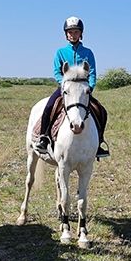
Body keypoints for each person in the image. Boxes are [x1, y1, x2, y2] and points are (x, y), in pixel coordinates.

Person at [35, 16, 109, 158]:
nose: (73, 35)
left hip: (83, 90)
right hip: (66, 89)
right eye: (70, 32)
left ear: (81, 33)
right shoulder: (60, 52)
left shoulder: (88, 53)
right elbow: (57, 72)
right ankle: (44, 138)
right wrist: (63, 84)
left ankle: (99, 142)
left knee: (101, 111)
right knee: (49, 106)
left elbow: (92, 72)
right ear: (66, 34)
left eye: (76, 32)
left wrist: (90, 87)